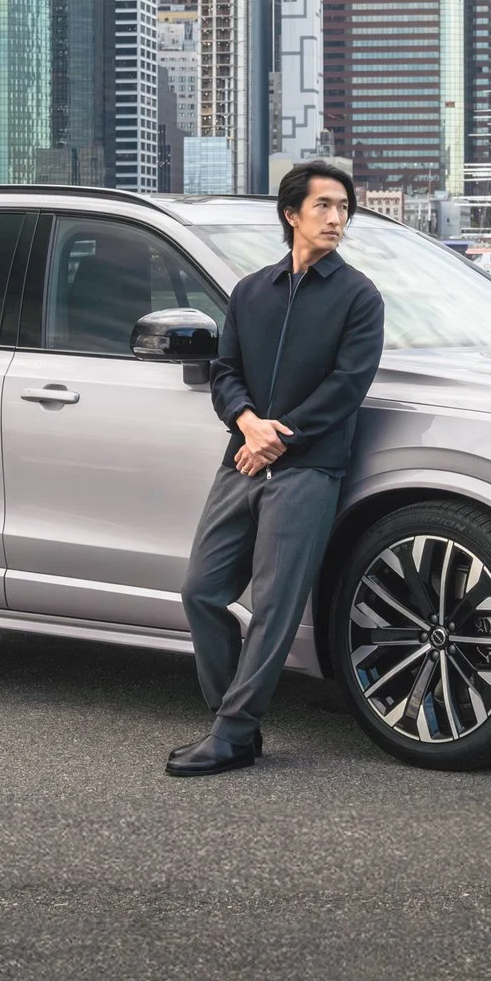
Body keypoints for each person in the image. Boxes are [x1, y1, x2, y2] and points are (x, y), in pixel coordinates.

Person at [166, 161, 385, 777]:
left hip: (309, 468)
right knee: (202, 591)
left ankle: (233, 734)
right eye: (324, 206)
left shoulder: (359, 296)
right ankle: (231, 720)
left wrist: (275, 440)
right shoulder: (250, 292)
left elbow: (347, 389)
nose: (337, 218)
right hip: (243, 458)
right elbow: (225, 372)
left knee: (275, 604)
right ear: (292, 215)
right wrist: (247, 424)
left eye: (344, 208)